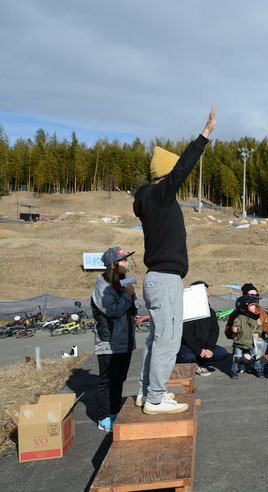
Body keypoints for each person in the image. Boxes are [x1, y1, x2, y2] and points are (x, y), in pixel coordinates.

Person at [133, 105, 215, 415]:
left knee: (156, 340)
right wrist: (204, 134)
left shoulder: (148, 200)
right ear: (165, 175)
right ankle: (155, 398)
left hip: (156, 277)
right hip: (165, 279)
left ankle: (145, 392)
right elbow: (183, 168)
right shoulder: (160, 195)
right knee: (167, 341)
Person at [91, 246, 139, 432]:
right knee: (107, 381)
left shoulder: (122, 283)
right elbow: (112, 310)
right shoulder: (102, 287)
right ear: (112, 265)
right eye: (123, 260)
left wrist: (131, 296)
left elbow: (133, 309)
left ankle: (114, 412)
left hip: (124, 341)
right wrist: (127, 295)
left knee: (119, 379)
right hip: (108, 343)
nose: (127, 263)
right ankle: (104, 417)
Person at [176, 280, 234, 378]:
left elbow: (214, 331)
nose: (208, 295)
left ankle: (200, 362)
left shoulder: (210, 311)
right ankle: (192, 363)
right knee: (188, 356)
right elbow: (186, 334)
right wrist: (199, 350)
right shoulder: (186, 312)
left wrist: (209, 349)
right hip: (187, 346)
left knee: (222, 353)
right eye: (205, 292)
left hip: (203, 346)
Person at [228, 293, 268, 377]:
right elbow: (236, 326)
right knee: (236, 358)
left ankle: (258, 370)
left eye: (254, 305)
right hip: (240, 343)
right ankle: (233, 370)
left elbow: (259, 327)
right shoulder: (239, 318)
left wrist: (258, 333)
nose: (254, 307)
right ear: (245, 307)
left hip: (252, 344)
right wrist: (235, 330)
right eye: (252, 305)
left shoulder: (255, 317)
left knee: (256, 357)